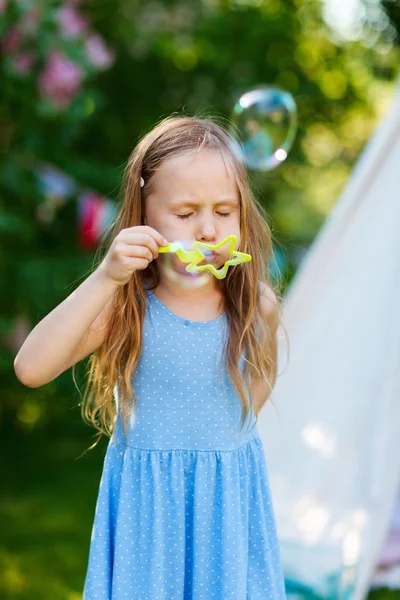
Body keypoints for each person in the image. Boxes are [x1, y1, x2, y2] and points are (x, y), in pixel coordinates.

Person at [14, 115, 287, 599]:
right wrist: (106, 278)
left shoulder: (256, 305)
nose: (207, 229)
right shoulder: (126, 306)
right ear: (143, 216)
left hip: (226, 513)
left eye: (225, 211)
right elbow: (31, 368)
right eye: (185, 213)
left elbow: (247, 407)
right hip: (149, 517)